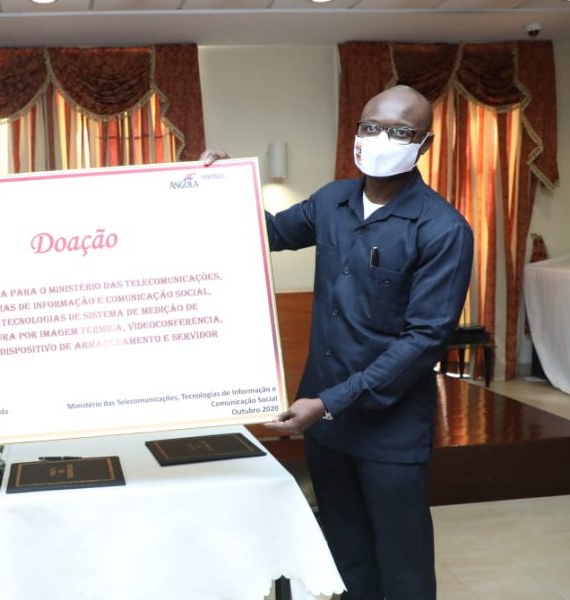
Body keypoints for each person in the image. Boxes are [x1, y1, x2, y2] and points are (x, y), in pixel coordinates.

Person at [203, 85, 473, 600]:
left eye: (399, 132)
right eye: (370, 127)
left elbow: (424, 340)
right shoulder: (332, 201)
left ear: (425, 144)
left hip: (389, 430)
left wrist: (329, 402)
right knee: (344, 553)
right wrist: (217, 186)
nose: (379, 139)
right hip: (325, 425)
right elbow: (267, 233)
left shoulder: (442, 229)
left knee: (403, 563)